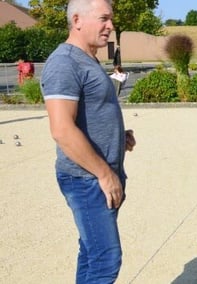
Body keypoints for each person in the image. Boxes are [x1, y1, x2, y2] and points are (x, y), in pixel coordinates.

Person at [41, 0, 137, 282]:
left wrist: (118, 138)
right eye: (104, 18)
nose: (111, 26)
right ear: (77, 20)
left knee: (91, 252)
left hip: (97, 175)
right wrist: (105, 174)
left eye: (111, 19)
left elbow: (90, 114)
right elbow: (61, 129)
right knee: (105, 260)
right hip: (87, 179)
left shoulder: (87, 59)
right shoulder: (64, 63)